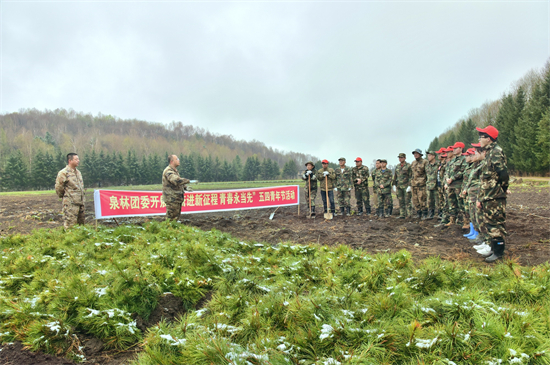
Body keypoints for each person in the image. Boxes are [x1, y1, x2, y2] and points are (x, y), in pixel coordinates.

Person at [476, 125, 509, 263]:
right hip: (488, 196)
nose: (479, 139)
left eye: (482, 136)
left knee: (496, 224)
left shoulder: (496, 152)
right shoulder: (488, 153)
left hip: (494, 196)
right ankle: (494, 249)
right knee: (490, 224)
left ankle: (499, 253)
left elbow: (503, 174)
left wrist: (501, 190)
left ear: (488, 139)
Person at [55, 153, 85, 229]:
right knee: (70, 226)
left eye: (78, 159)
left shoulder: (78, 172)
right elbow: (59, 188)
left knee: (81, 226)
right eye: (76, 159)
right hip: (70, 204)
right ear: (70, 160)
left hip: (80, 203)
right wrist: (66, 197)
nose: (78, 161)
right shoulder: (63, 173)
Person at [444, 142, 467, 227]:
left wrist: (452, 178)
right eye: (453, 148)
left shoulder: (464, 159)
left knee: (461, 204)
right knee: (451, 204)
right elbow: (447, 171)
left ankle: (464, 222)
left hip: (458, 185)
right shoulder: (452, 161)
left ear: (461, 149)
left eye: (455, 148)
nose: (453, 150)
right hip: (450, 186)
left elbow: (463, 170)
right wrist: (447, 179)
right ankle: (452, 221)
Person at [162, 155, 190, 221]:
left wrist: (185, 187)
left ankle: (173, 230)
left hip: (176, 199)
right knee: (171, 219)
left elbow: (176, 184)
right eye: (177, 159)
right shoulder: (168, 171)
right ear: (172, 161)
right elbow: (175, 180)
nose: (178, 160)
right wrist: (187, 181)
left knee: (175, 219)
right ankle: (169, 230)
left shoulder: (174, 171)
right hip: (172, 199)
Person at [392, 153, 412, 219]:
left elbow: (410, 176)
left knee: (407, 201)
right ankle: (402, 214)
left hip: (406, 186)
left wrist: (410, 185)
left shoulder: (408, 166)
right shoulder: (397, 166)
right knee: (401, 201)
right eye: (399, 158)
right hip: (399, 186)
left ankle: (409, 215)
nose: (400, 159)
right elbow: (395, 176)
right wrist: (394, 184)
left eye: (402, 157)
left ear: (405, 158)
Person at [410, 148, 429, 219]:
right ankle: (418, 213)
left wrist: (426, 182)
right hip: (414, 184)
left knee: (422, 199)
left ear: (420, 154)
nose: (415, 155)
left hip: (421, 184)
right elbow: (411, 174)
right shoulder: (413, 163)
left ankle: (424, 213)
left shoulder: (425, 162)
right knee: (415, 200)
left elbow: (427, 173)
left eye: (417, 153)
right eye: (414, 154)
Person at [424, 150, 438, 220]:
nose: (428, 157)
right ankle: (430, 214)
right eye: (428, 155)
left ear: (433, 156)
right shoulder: (427, 166)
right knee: (430, 201)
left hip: (436, 186)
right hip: (429, 186)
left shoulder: (438, 164)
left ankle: (439, 214)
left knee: (438, 201)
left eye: (430, 155)